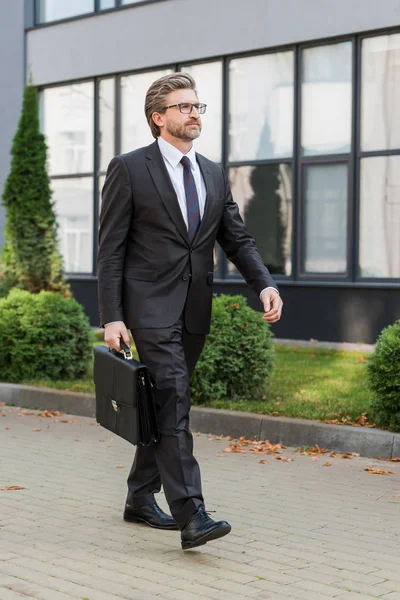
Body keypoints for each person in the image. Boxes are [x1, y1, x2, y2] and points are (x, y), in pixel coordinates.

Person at [97, 73, 283, 550]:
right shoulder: (130, 168)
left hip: (194, 307)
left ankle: (140, 496)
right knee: (175, 396)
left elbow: (235, 237)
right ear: (158, 118)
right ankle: (192, 514)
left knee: (165, 403)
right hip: (147, 306)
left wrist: (262, 282)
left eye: (198, 106)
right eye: (183, 107)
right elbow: (111, 249)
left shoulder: (214, 172)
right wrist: (112, 315)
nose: (194, 113)